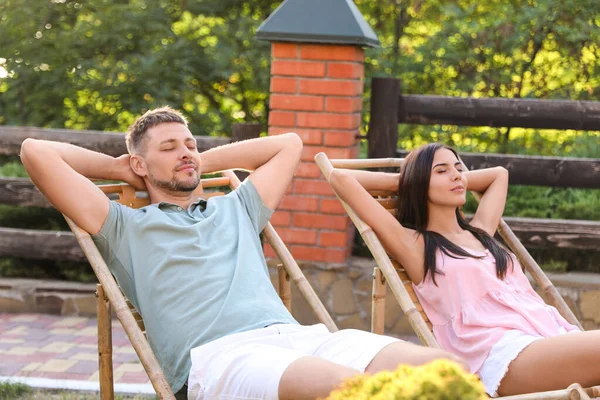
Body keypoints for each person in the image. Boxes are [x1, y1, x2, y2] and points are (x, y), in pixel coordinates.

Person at [20, 107, 463, 400]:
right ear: (140, 164)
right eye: (169, 148)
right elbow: (35, 152)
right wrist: (119, 168)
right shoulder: (122, 225)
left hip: (298, 339)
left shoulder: (237, 208)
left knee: (445, 371)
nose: (186, 153)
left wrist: (197, 161)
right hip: (219, 358)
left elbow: (289, 143)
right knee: (346, 390)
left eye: (190, 144)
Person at [328, 142, 600, 397]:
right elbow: (340, 178)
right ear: (419, 183)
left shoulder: (481, 232)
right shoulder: (415, 246)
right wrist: (410, 181)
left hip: (547, 336)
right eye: (442, 171)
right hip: (501, 355)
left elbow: (498, 175)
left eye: (459, 168)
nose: (458, 176)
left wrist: (440, 176)